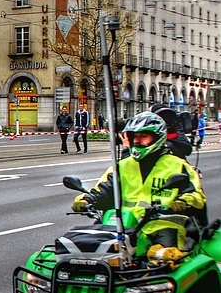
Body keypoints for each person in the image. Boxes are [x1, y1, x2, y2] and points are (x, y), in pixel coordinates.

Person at [72, 111, 206, 261]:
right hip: (122, 226)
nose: (138, 141)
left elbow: (196, 195)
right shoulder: (122, 165)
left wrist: (180, 203)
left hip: (161, 226)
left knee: (166, 260)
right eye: (135, 137)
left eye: (144, 136)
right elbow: (105, 188)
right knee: (86, 252)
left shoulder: (177, 165)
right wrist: (86, 200)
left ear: (157, 138)